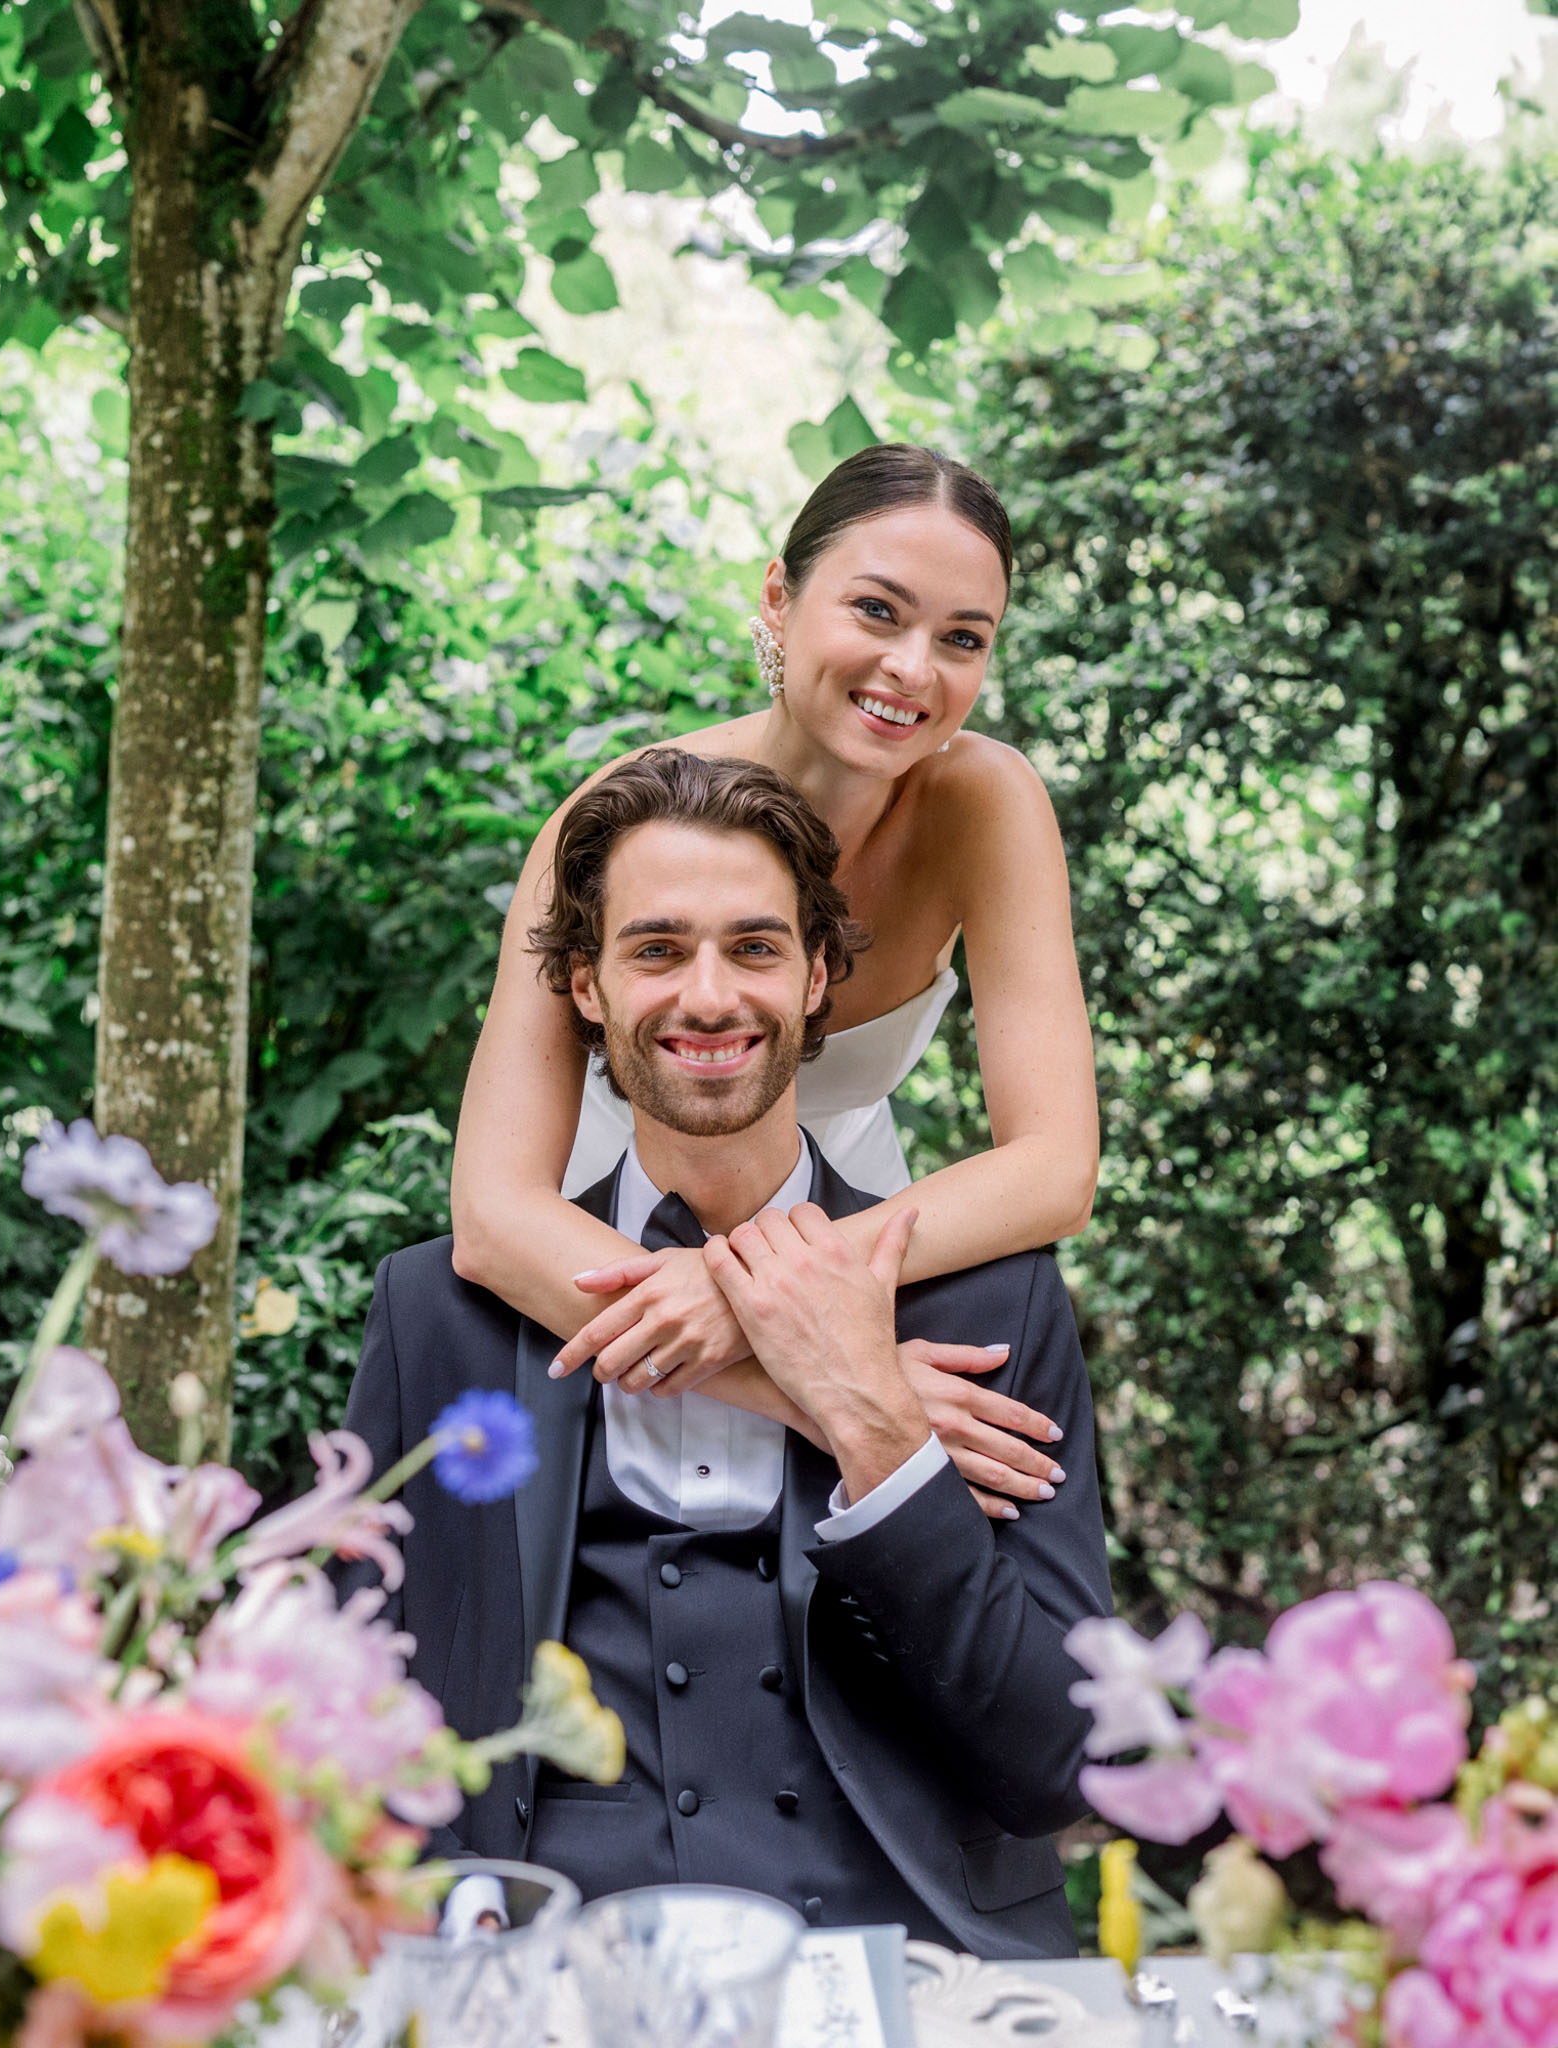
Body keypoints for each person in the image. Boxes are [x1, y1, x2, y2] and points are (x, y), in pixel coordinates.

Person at [344, 749, 1113, 1957]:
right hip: (542, 1981)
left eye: (754, 948)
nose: (709, 997)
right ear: (586, 984)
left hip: (910, 1971)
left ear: (816, 978)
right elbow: (357, 1724)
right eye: (656, 949)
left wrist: (876, 1421)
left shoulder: (993, 1301)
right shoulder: (438, 1313)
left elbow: (1062, 1763)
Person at [449, 443, 1096, 1519]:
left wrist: (758, 1285)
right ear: (779, 599)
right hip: (615, 1215)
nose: (913, 669)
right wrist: (813, 1377)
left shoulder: (987, 804)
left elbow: (1055, 1167)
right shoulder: (614, 819)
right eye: (877, 611)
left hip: (850, 1208)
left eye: (962, 638)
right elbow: (491, 1211)